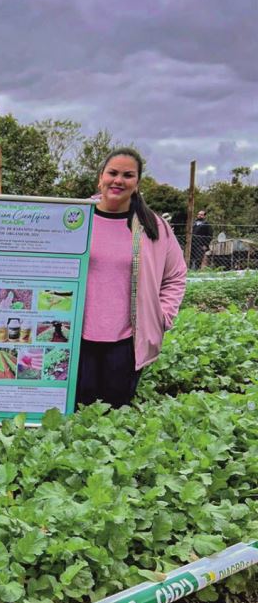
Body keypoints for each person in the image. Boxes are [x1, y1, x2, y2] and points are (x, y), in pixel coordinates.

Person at [76, 147, 187, 409]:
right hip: (77, 337)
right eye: (112, 173)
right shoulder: (77, 219)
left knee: (116, 412)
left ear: (137, 183)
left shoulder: (154, 226)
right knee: (77, 412)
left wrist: (163, 316)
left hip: (126, 341)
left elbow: (176, 275)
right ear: (100, 177)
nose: (118, 180)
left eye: (128, 175)